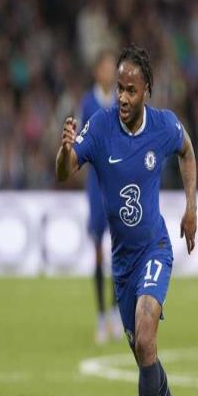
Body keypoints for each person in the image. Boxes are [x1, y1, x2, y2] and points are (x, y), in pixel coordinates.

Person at [56, 44, 196, 396]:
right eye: (119, 88)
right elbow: (65, 171)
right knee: (144, 355)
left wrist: (191, 208)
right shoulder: (100, 126)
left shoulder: (163, 126)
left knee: (146, 335)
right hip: (122, 265)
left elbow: (187, 151)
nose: (122, 97)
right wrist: (64, 151)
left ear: (146, 91)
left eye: (130, 90)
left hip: (155, 249)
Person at [80, 50, 123, 344]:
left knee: (120, 249)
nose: (110, 73)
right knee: (98, 249)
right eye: (106, 68)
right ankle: (100, 317)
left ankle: (116, 313)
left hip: (119, 184)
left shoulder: (122, 101)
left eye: (112, 68)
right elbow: (82, 141)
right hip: (97, 185)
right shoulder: (88, 103)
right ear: (97, 72)